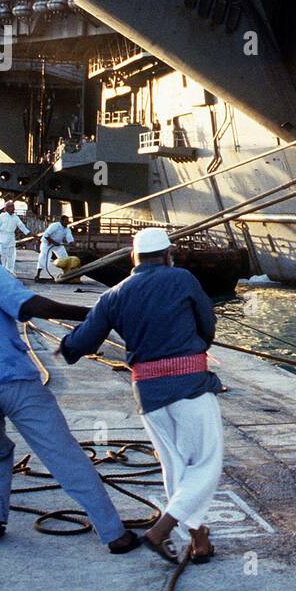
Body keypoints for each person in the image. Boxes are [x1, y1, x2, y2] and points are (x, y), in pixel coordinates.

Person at [0, 219, 140, 554]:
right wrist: (96, 314)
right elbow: (31, 307)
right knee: (63, 454)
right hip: (13, 381)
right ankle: (114, 534)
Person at [59, 228, 224, 565]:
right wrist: (196, 347)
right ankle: (161, 529)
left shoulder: (113, 295)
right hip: (190, 384)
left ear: (134, 258)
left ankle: (199, 538)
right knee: (205, 463)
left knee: (175, 465)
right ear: (167, 255)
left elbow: (82, 343)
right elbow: (207, 325)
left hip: (148, 392)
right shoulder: (182, 279)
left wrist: (66, 346)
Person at [36, 215, 76, 282]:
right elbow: (46, 235)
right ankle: (38, 275)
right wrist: (53, 242)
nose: (67, 223)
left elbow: (69, 237)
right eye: (66, 221)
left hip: (58, 244)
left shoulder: (67, 229)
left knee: (65, 258)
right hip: (47, 244)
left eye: (67, 222)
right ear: (61, 221)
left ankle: (67, 274)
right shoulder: (54, 226)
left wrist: (72, 243)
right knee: (44, 258)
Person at [0, 201, 29, 275]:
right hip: (2, 237)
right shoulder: (1, 216)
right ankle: (2, 271)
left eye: (13, 206)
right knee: (3, 256)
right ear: (6, 208)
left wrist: (29, 233)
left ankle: (10, 271)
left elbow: (21, 226)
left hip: (11, 237)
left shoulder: (15, 217)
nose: (13, 208)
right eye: (11, 206)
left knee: (11, 256)